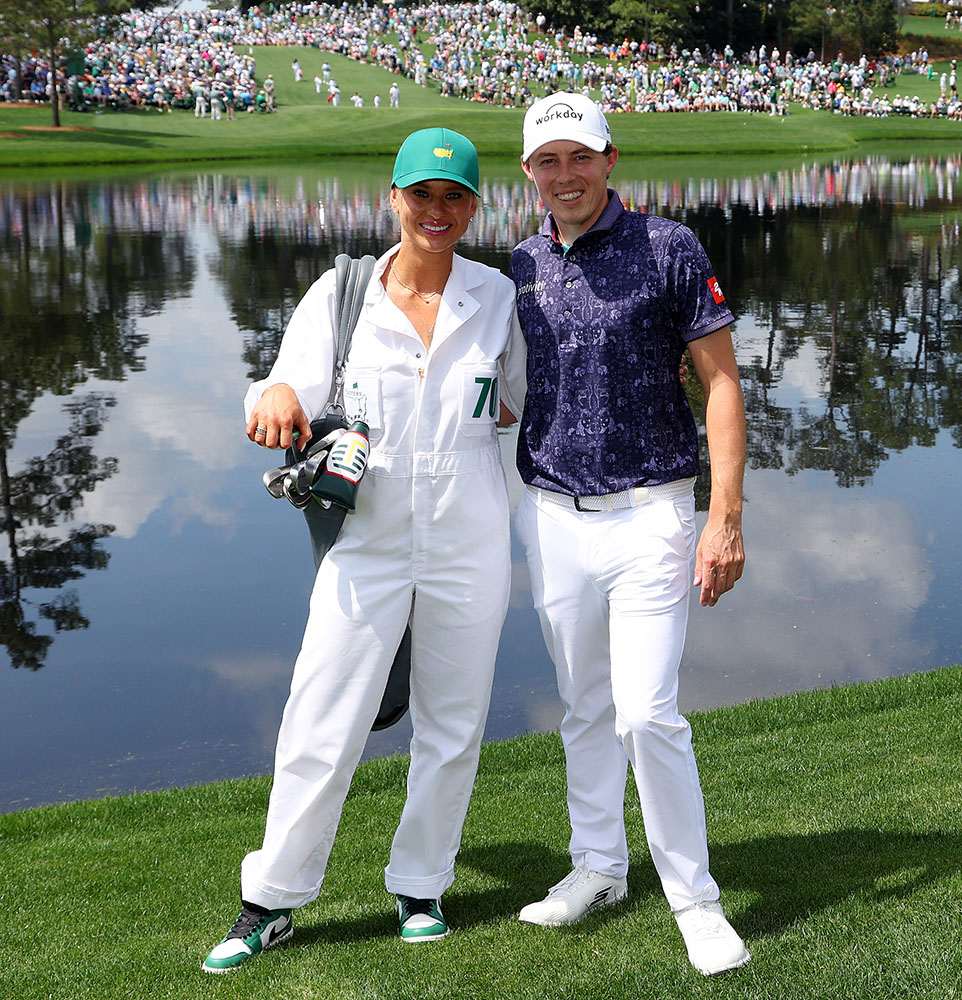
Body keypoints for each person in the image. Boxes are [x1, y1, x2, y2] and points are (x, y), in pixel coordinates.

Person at [202, 128, 525, 972]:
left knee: (453, 724)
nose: (438, 211)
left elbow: (521, 404)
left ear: (474, 205)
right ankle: (269, 902)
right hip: (368, 540)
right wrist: (270, 395)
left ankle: (422, 885)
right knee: (322, 717)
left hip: (471, 535)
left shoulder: (498, 297)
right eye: (422, 194)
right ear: (394, 197)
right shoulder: (342, 293)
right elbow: (284, 389)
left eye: (455, 197)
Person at [510, 91, 750, 977]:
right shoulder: (523, 261)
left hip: (654, 510)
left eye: (580, 157)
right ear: (529, 173)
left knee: (648, 712)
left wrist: (725, 515)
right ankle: (599, 867)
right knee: (585, 709)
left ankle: (695, 897)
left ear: (611, 158)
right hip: (554, 516)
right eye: (547, 161)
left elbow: (721, 382)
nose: (564, 175)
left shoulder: (669, 247)